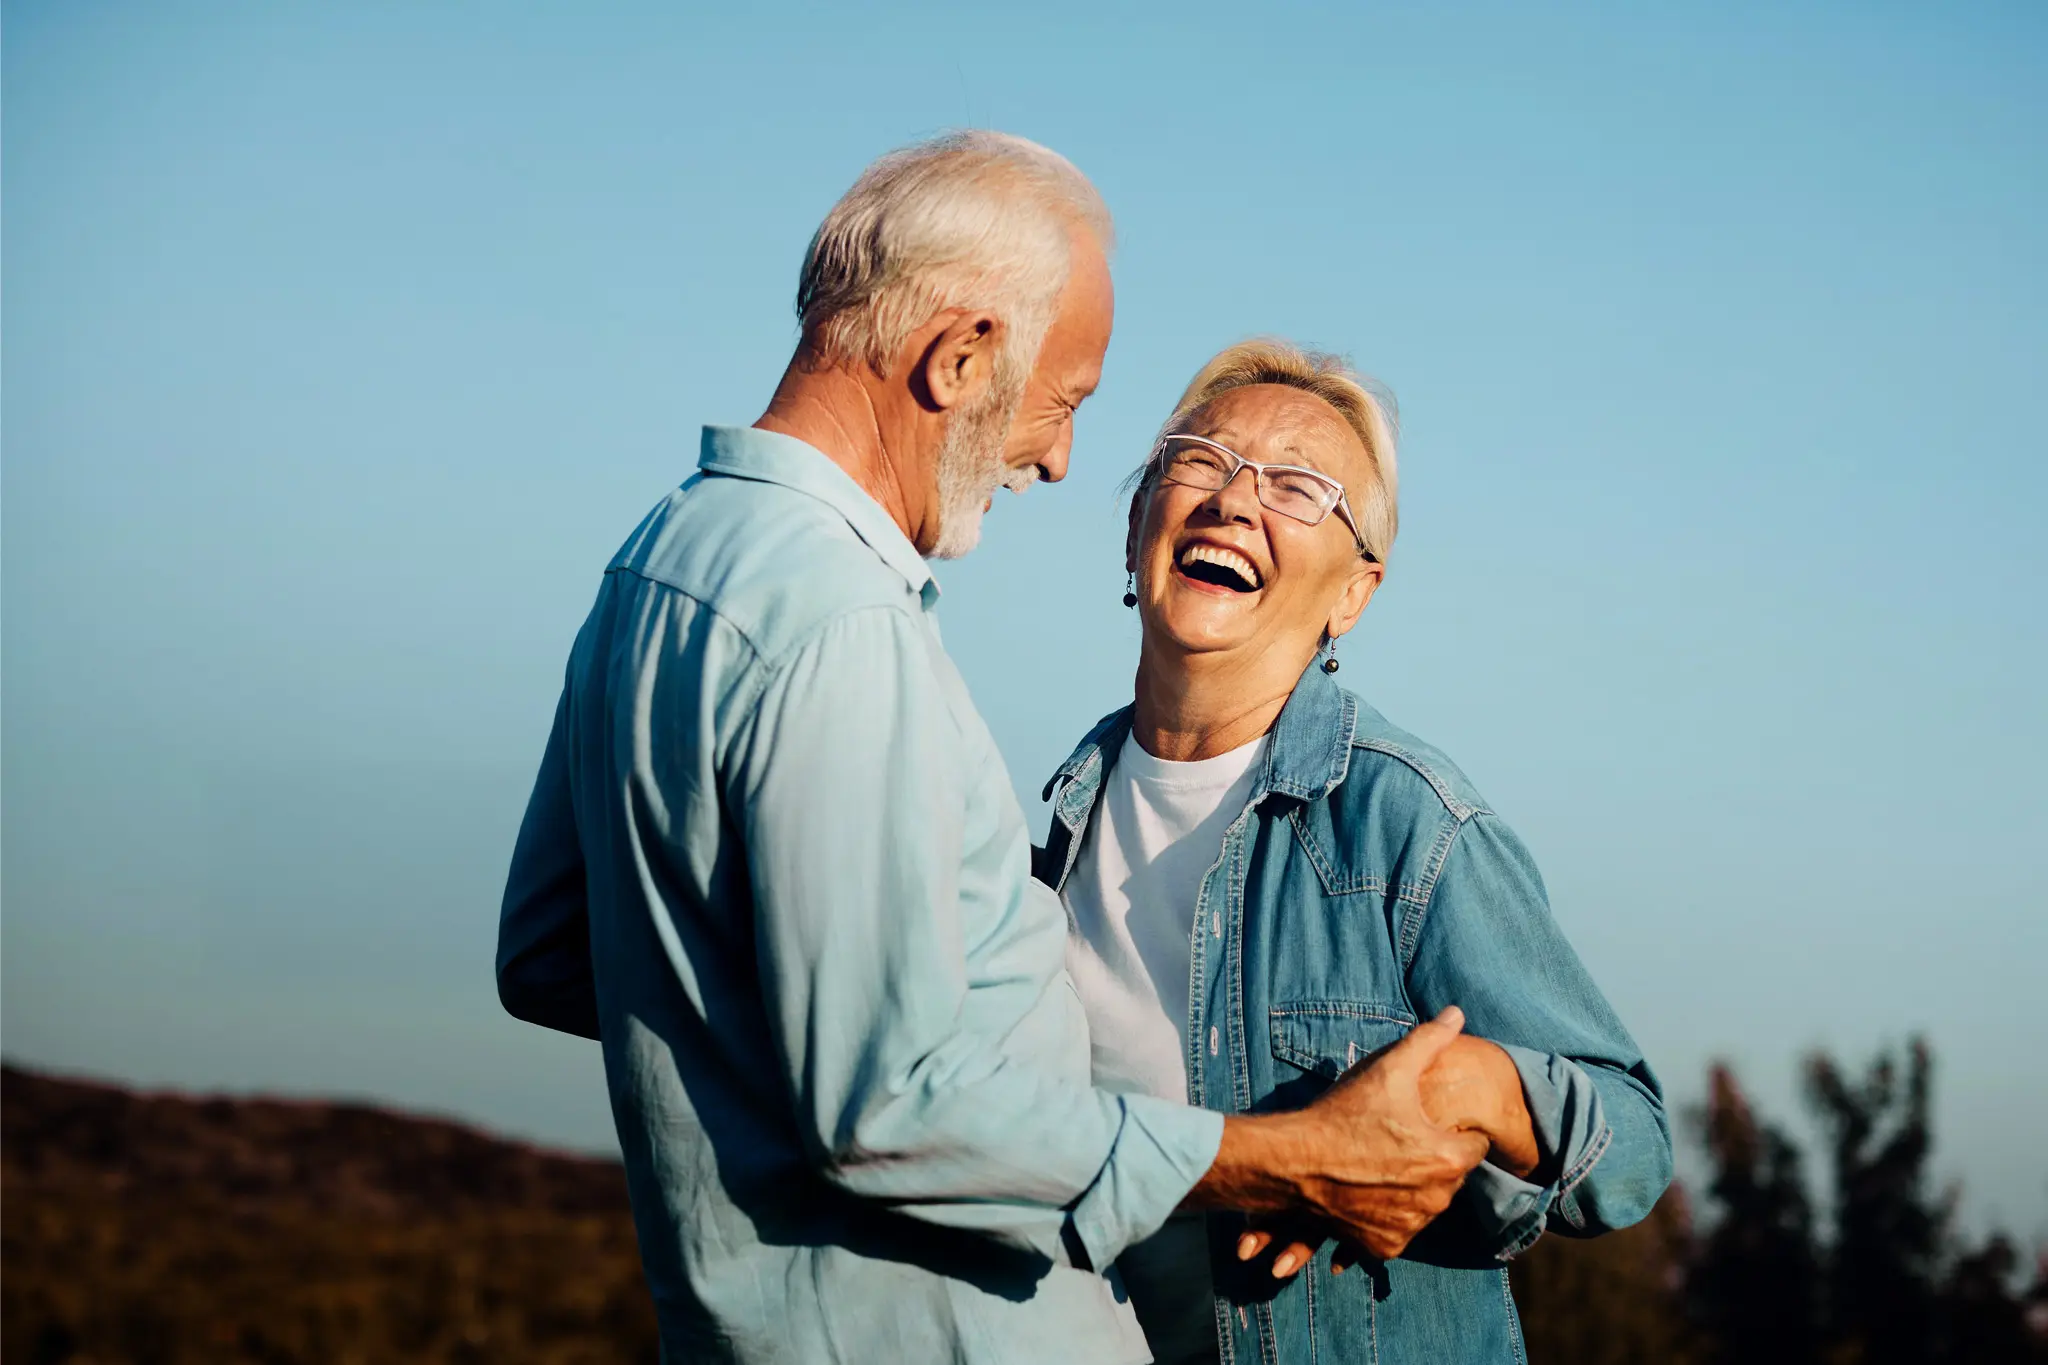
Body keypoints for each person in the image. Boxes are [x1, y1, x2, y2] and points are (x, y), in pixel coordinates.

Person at [497, 135, 1501, 1364]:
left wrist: (805, 1012)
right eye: (1065, 398)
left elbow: (551, 954)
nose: (1059, 457)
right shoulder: (844, 628)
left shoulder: (656, 562)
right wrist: (1285, 1159)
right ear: (960, 355)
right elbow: (889, 1107)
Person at [1045, 338, 1675, 1362]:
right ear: (1133, 528)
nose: (1233, 502)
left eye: (1297, 487)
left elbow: (1632, 1142)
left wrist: (1472, 1088)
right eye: (1199, 459)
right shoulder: (1055, 833)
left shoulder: (1405, 820)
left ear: (1354, 594)